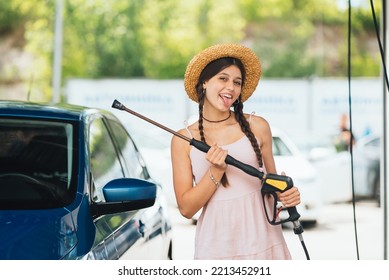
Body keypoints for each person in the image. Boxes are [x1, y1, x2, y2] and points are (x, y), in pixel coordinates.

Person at [171, 43, 301, 260]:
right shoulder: (183, 139)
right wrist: (216, 171)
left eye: (237, 82)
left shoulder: (258, 126)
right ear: (204, 82)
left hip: (264, 240)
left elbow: (270, 183)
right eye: (223, 78)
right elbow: (186, 209)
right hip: (216, 248)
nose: (230, 87)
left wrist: (287, 194)